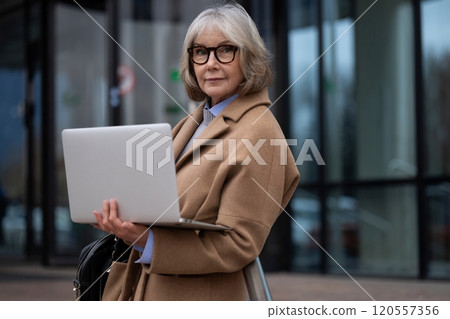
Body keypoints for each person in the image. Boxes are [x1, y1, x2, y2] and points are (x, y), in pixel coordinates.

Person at [94, 3, 300, 301]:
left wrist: (146, 240)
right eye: (200, 52)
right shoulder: (192, 124)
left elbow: (239, 245)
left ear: (249, 57)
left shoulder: (260, 133)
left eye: (225, 50)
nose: (210, 63)